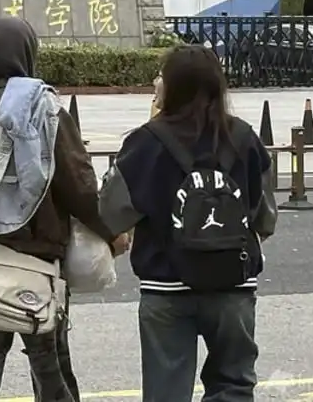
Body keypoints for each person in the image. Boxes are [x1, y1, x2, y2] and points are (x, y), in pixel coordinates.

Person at [0, 16, 128, 402]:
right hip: (41, 264)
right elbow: (79, 185)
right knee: (52, 372)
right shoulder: (46, 108)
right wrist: (111, 231)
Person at [100, 45, 277, 402]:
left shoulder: (145, 142)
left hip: (166, 285)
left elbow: (110, 213)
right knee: (234, 383)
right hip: (232, 284)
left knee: (166, 390)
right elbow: (266, 218)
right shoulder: (244, 138)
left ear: (172, 86)